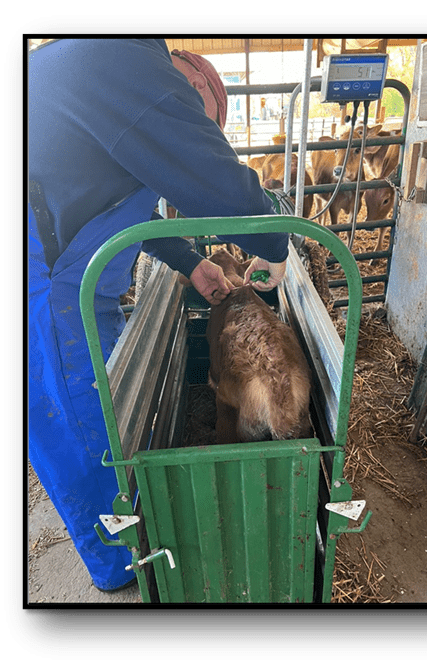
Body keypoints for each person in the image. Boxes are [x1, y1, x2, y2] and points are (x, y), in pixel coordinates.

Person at [29, 39, 289, 592]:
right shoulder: (129, 62)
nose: (196, 127)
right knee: (82, 416)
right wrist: (275, 241)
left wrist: (191, 262)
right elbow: (215, 183)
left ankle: (140, 519)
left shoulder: (97, 63)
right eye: (205, 123)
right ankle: (129, 560)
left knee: (110, 396)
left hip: (64, 267)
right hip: (41, 279)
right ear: (196, 84)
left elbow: (117, 203)